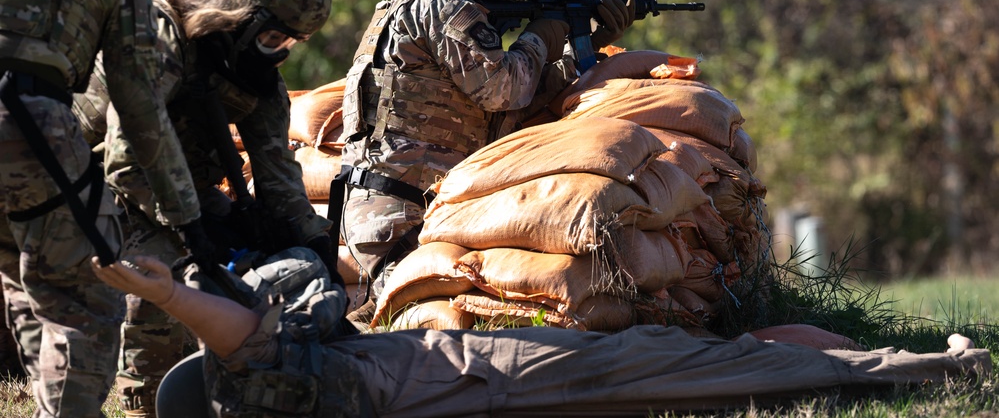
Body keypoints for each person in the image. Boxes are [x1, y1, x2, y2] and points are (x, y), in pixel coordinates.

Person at [90, 254, 989, 418]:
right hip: (500, 377)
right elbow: (238, 336)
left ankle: (912, 368)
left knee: (710, 371)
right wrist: (167, 298)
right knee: (710, 366)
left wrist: (169, 298)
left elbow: (235, 337)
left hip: (503, 380)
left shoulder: (265, 391)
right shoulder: (266, 383)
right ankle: (910, 366)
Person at [72, 0, 343, 415]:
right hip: (87, 182)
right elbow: (126, 160)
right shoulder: (157, 41)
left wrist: (312, 240)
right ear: (240, 15)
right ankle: (145, 402)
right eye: (274, 38)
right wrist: (196, 224)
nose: (280, 53)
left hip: (180, 194)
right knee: (162, 266)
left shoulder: (255, 77)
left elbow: (277, 170)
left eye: (291, 43)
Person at [338, 0, 636, 305]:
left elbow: (518, 107)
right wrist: (542, 36)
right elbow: (504, 89)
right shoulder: (439, 6)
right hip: (400, 216)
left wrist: (589, 44)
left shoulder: (428, 5)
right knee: (426, 337)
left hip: (415, 210)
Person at [0, 0, 198, 418]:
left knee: (18, 279)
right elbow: (140, 107)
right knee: (84, 299)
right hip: (34, 127)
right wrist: (187, 216)